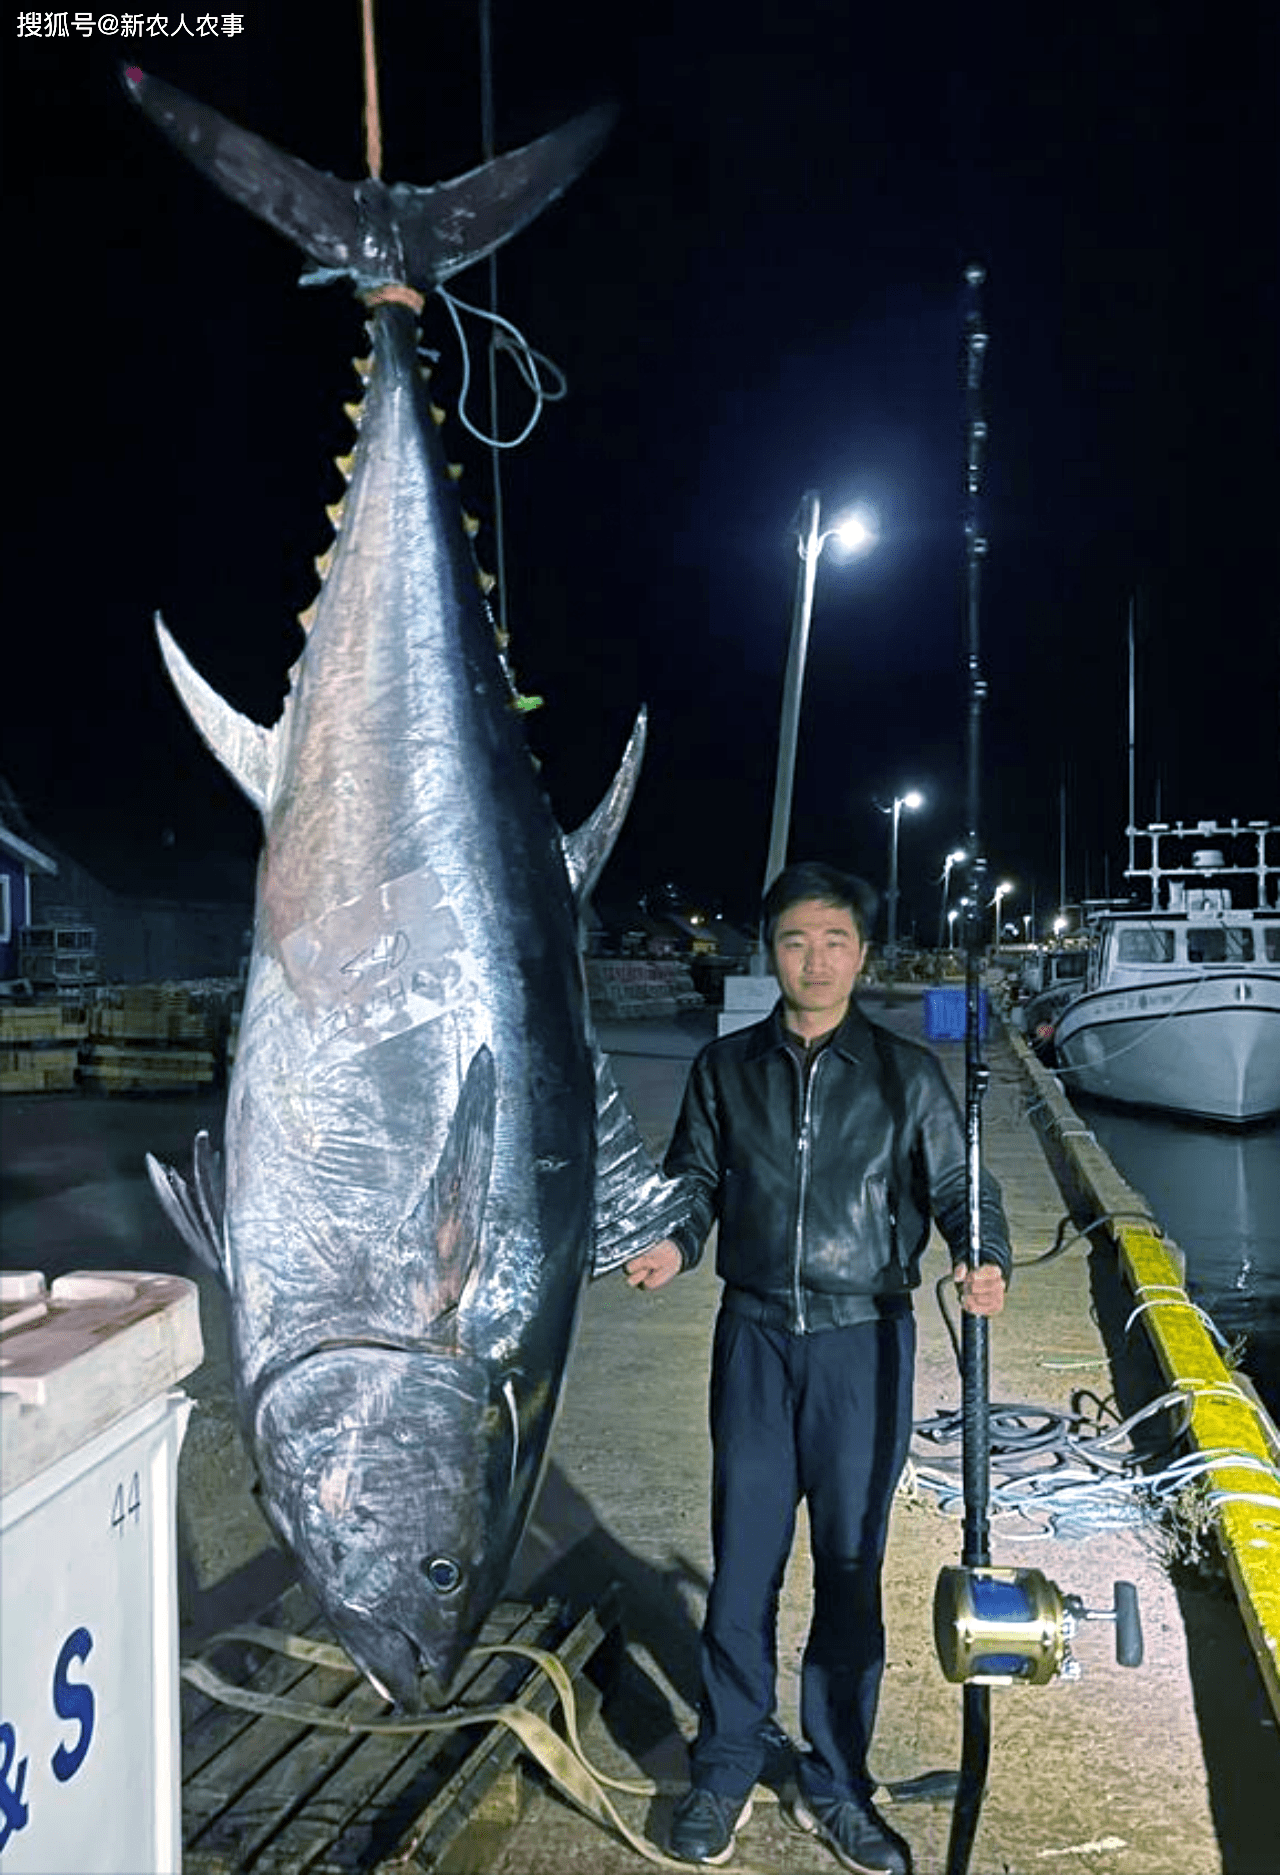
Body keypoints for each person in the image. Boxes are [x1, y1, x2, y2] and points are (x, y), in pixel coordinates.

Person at [625, 861, 1011, 1874]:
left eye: (836, 941)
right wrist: (675, 1241)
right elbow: (693, 1179)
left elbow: (962, 1186)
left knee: (848, 1568)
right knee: (743, 1564)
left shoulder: (903, 1073)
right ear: (771, 950)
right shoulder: (726, 1067)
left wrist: (983, 1255)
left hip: (863, 1342)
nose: (816, 959)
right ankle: (723, 1765)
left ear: (862, 954)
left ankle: (836, 1783)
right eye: (796, 940)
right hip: (753, 1339)